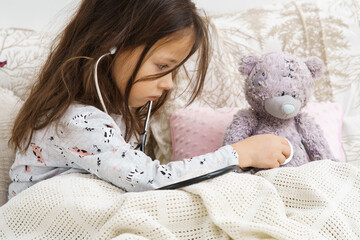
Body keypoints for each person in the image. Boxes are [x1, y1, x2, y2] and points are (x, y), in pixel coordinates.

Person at [8, 0, 291, 199]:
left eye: (173, 70)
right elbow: (151, 181)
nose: (168, 83)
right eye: (161, 67)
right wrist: (239, 154)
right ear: (110, 45)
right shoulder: (75, 121)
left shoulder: (119, 113)